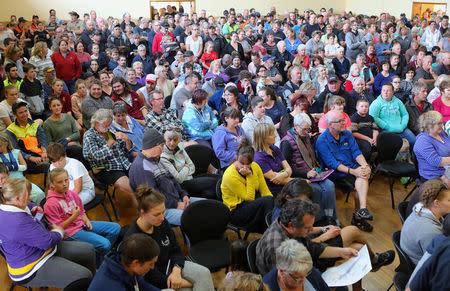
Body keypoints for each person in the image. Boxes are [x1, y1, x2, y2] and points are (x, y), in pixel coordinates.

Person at [0, 178, 94, 290]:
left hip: (38, 250)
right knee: (84, 276)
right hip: (30, 268)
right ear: (17, 198)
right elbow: (47, 241)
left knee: (88, 250)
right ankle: (87, 283)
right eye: (28, 195)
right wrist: (58, 231)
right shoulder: (18, 222)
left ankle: (93, 283)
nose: (29, 197)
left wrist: (32, 207)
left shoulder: (8, 205)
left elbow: (27, 206)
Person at [123, 185, 214, 290]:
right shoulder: (134, 239)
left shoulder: (162, 222)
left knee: (204, 274)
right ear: (143, 213)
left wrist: (176, 269)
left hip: (172, 268)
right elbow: (151, 278)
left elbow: (175, 249)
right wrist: (190, 284)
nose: (162, 217)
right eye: (157, 214)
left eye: (163, 212)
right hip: (154, 283)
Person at [44, 168, 120, 266]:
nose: (65, 184)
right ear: (52, 184)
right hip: (70, 233)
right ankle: (98, 263)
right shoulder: (50, 204)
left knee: (115, 228)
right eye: (60, 182)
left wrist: (86, 219)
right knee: (105, 244)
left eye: (66, 180)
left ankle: (99, 256)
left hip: (81, 224)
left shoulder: (71, 193)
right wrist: (74, 216)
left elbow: (81, 210)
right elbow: (58, 228)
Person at [129, 128, 204, 226]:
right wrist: (176, 204)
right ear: (155, 146)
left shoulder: (157, 159)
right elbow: (153, 198)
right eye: (162, 146)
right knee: (194, 218)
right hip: (162, 209)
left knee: (206, 205)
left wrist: (184, 195)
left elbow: (173, 180)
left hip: (176, 200)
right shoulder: (141, 167)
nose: (163, 149)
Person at [315, 110, 374, 232]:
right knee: (360, 177)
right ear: (331, 124)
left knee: (363, 174)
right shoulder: (322, 140)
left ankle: (361, 210)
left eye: (344, 120)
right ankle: (359, 216)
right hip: (333, 172)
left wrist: (365, 165)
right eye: (340, 121)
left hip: (350, 166)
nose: (345, 122)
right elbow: (333, 164)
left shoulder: (347, 134)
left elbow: (356, 152)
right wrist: (355, 171)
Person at [280, 113, 338, 223]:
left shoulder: (305, 136)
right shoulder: (287, 142)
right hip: (299, 177)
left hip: (314, 173)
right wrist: (306, 175)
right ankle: (318, 220)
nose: (307, 132)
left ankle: (331, 217)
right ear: (296, 126)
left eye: (308, 129)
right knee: (318, 190)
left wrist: (320, 168)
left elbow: (312, 157)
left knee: (330, 185)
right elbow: (287, 170)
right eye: (304, 129)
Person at [221, 138, 273, 233]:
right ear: (236, 158)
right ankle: (270, 233)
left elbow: (265, 190)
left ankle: (271, 230)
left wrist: (273, 205)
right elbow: (249, 198)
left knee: (272, 200)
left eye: (248, 164)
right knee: (268, 201)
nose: (245, 167)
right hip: (236, 211)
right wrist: (249, 176)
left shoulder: (255, 166)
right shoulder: (230, 175)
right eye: (242, 163)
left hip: (251, 203)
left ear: (252, 161)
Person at [83, 109, 134, 199]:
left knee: (142, 179)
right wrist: (108, 144)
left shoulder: (109, 131)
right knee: (133, 189)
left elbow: (125, 151)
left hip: (122, 163)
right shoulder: (89, 135)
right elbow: (96, 156)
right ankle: (148, 208)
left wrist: (127, 139)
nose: (109, 127)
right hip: (106, 169)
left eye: (110, 124)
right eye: (107, 125)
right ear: (97, 123)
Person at [400, 178, 449, 264]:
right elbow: (437, 262)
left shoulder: (421, 208)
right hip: (421, 265)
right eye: (449, 200)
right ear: (436, 203)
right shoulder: (431, 231)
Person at [88, 233, 160, 291]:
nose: (152, 267)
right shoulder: (114, 286)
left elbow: (142, 284)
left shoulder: (123, 263)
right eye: (151, 264)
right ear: (135, 263)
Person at [263, 239, 330, 291]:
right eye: (298, 278)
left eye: (306, 274)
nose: (304, 279)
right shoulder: (268, 287)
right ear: (282, 272)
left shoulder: (305, 270)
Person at [0, 132, 45, 203]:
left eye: (0, 145)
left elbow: (25, 166)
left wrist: (14, 167)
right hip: (7, 184)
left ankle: (37, 210)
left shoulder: (16, 152)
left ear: (6, 143)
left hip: (21, 181)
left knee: (39, 194)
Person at [6, 102, 49, 173]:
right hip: (25, 157)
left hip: (40, 154)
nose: (25, 114)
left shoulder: (35, 125)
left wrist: (44, 152)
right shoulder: (10, 130)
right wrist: (31, 158)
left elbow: (43, 141)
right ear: (14, 114)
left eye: (26, 111)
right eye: (21, 112)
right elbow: (15, 150)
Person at [253, 123, 292, 197]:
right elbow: (277, 180)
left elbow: (289, 169)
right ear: (263, 138)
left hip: (286, 186)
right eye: (272, 134)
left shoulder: (274, 148)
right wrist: (298, 181)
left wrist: (284, 174)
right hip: (274, 193)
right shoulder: (258, 158)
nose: (275, 135)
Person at [413, 111, 450, 180]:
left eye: (442, 122)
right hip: (435, 175)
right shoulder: (422, 141)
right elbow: (436, 161)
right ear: (429, 125)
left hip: (447, 169)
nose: (442, 125)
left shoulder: (441, 133)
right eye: (439, 123)